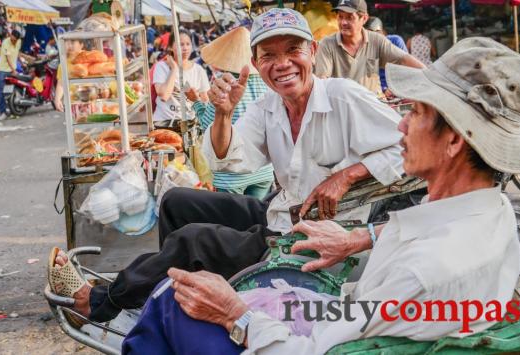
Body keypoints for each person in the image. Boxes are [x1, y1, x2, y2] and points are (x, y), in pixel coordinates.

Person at [122, 37, 520, 354]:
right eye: (268, 56)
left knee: (171, 303)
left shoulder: (423, 272)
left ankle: (113, 304)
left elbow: (320, 348)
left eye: (414, 113)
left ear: (454, 141)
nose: (400, 126)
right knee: (185, 222)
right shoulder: (492, 210)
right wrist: (362, 239)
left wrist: (238, 315)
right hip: (344, 301)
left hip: (323, 330)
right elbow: (233, 162)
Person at [48, 8, 404, 325]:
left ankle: (99, 303)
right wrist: (222, 114)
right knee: (176, 201)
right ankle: (165, 295)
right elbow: (232, 156)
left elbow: (408, 148)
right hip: (282, 212)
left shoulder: (343, 96)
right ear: (257, 62)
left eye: (293, 51)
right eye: (269, 55)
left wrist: (346, 175)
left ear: (312, 52)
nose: (282, 64)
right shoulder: (269, 106)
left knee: (194, 241)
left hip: (314, 236)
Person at [187, 27, 275, 199]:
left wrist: (196, 101)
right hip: (263, 169)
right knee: (256, 219)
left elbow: (208, 126)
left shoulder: (224, 83)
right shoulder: (267, 80)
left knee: (233, 223)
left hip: (230, 175)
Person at [315, 0, 424, 95]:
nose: (343, 22)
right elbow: (323, 82)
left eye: (349, 17)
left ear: (364, 18)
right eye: (340, 16)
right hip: (342, 107)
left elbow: (404, 59)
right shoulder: (327, 44)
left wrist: (430, 76)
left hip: (373, 105)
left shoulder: (377, 41)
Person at [152, 31, 210, 126]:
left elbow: (205, 100)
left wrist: (196, 98)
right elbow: (164, 95)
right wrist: (174, 69)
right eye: (181, 44)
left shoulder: (199, 70)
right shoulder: (161, 67)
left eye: (188, 44)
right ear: (170, 47)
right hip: (164, 123)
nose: (185, 48)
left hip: (189, 124)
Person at [364, 16, 408, 96]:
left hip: (400, 88)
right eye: (368, 34)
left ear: (382, 32)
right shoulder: (365, 48)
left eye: (375, 33)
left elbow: (406, 67)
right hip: (378, 92)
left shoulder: (395, 40)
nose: (372, 37)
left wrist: (395, 87)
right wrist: (384, 88)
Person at [0, 29, 21, 119]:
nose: (13, 41)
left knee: (12, 90)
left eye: (15, 40)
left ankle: (11, 109)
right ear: (10, 35)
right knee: (2, 92)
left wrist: (22, 62)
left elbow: (17, 53)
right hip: (3, 69)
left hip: (12, 69)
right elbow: (8, 58)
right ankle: (2, 112)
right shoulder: (5, 42)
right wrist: (13, 70)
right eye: (12, 39)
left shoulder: (18, 42)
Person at [54, 39, 85, 112]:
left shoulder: (88, 58)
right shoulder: (63, 64)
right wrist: (57, 99)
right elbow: (61, 84)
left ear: (81, 45)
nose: (69, 45)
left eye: (73, 42)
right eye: (67, 42)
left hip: (92, 99)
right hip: (74, 103)